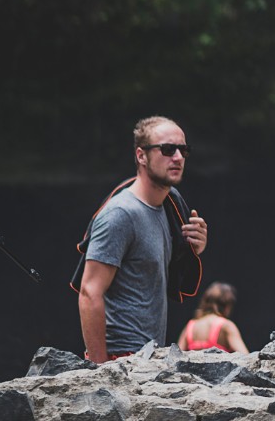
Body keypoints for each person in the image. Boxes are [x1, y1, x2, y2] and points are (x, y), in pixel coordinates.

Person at [76, 117, 207, 362]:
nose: (177, 157)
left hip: (148, 356)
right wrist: (100, 369)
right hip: (121, 357)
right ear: (141, 155)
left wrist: (194, 249)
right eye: (168, 149)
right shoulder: (121, 214)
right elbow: (89, 291)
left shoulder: (168, 208)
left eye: (183, 150)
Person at [179, 283, 248, 353]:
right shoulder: (226, 326)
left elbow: (177, 355)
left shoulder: (191, 326)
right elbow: (245, 356)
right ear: (227, 306)